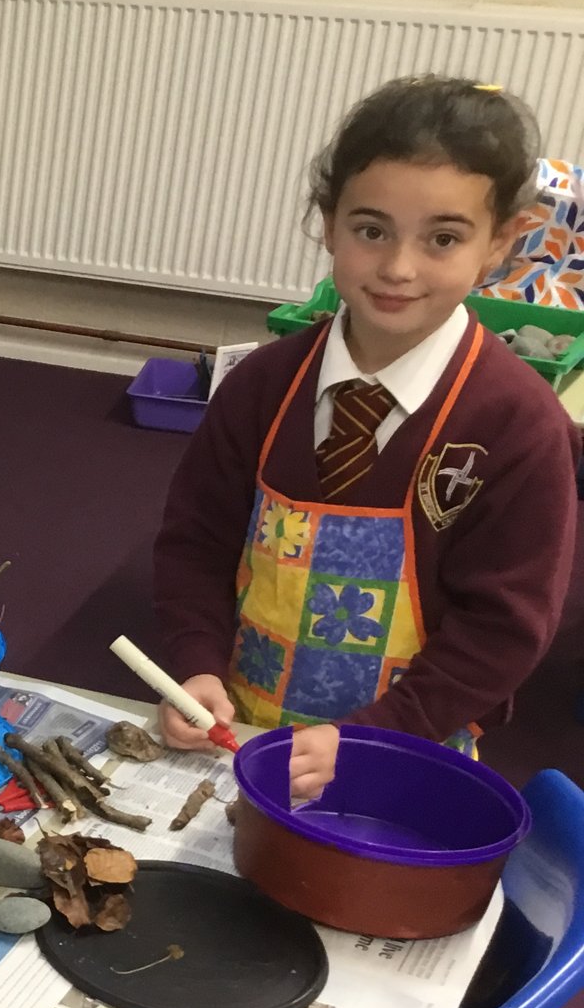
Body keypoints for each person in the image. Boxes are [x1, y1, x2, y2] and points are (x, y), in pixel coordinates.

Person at [153, 76, 579, 798]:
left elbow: (503, 630)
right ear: (329, 221)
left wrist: (377, 736)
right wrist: (195, 665)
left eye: (443, 238)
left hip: (409, 749)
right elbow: (195, 544)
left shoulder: (518, 423)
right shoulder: (262, 385)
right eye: (371, 229)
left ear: (499, 243)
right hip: (246, 737)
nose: (398, 268)